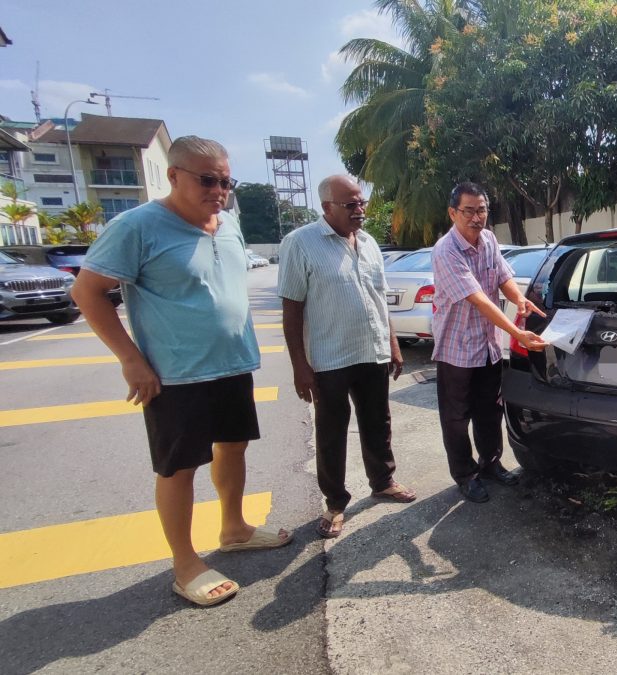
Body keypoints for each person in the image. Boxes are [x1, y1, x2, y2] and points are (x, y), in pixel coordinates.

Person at [72, 136, 291, 607]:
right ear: (173, 176)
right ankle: (185, 561)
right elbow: (87, 293)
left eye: (225, 181)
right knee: (179, 467)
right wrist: (131, 360)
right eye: (207, 179)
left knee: (233, 446)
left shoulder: (228, 223)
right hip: (174, 374)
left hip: (232, 364)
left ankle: (233, 527)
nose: (219, 190)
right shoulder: (137, 226)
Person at [277, 175, 415, 539]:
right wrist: (299, 366)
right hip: (328, 358)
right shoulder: (301, 243)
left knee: (377, 421)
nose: (360, 211)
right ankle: (336, 502)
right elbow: (291, 310)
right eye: (350, 205)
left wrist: (394, 344)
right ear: (327, 208)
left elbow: (378, 298)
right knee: (332, 431)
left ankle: (382, 481)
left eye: (361, 203)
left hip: (371, 351)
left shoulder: (368, 243)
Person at [431, 182, 548, 503]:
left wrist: (519, 300)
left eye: (481, 210)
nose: (475, 217)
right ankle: (465, 475)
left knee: (489, 410)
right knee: (456, 418)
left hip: (487, 345)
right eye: (468, 211)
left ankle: (490, 463)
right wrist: (517, 331)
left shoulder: (489, 240)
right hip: (457, 348)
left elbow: (502, 276)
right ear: (453, 213)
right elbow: (478, 299)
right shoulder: (446, 250)